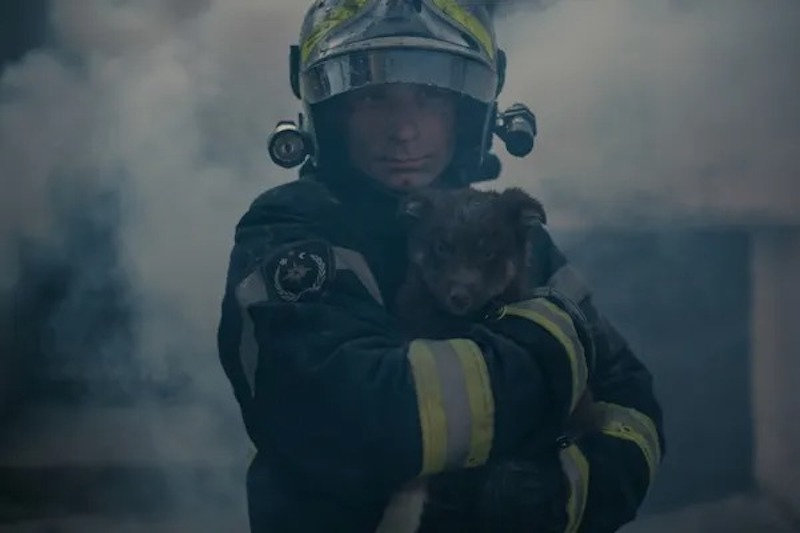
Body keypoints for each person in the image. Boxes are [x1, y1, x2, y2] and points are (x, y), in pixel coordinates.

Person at [217, 1, 665, 531]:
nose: (403, 130)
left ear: (467, 111)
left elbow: (633, 410)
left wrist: (557, 496)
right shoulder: (293, 231)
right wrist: (549, 349)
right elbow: (358, 417)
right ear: (333, 112)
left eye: (429, 96)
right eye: (373, 96)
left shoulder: (515, 234)